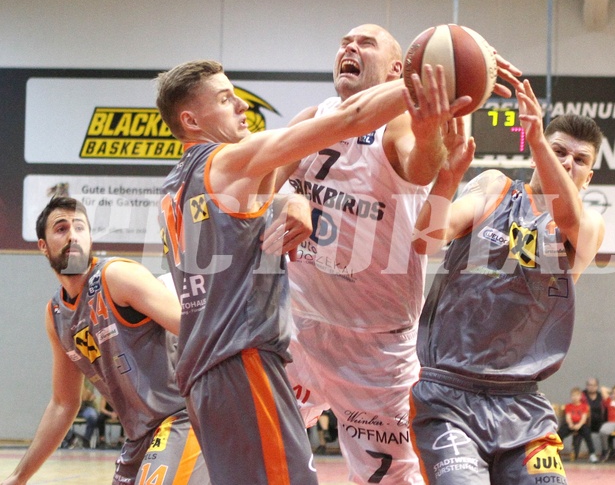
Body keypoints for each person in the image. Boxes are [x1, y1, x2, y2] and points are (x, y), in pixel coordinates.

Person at [155, 57, 475, 485]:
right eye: (226, 99)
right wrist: (427, 82)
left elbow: (273, 187)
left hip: (204, 371)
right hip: (242, 362)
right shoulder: (227, 163)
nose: (242, 107)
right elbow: (349, 118)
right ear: (191, 120)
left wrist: (293, 200)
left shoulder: (174, 187)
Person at [271, 24, 521, 485]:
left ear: (397, 71)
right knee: (244, 447)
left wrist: (432, 138)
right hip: (300, 330)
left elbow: (418, 164)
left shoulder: (400, 124)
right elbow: (267, 173)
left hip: (376, 348)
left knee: (388, 479)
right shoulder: (312, 116)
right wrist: (289, 196)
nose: (349, 46)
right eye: (344, 41)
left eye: (365, 43)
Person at [409, 79, 606, 484]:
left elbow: (568, 218)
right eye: (558, 152)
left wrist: (537, 139)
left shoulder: (588, 226)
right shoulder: (495, 188)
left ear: (589, 176)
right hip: (449, 396)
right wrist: (446, 178)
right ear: (536, 156)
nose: (568, 163)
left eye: (580, 159)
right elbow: (424, 240)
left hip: (524, 408)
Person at [1, 196, 208, 485]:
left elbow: (200, 332)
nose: (72, 235)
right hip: (138, 437)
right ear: (43, 246)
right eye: (61, 229)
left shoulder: (117, 276)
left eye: (80, 227)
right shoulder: (56, 315)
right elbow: (63, 403)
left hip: (181, 419)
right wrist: (19, 477)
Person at [557, 387, 598, 462]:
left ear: (580, 397)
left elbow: (584, 418)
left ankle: (592, 454)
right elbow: (568, 417)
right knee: (560, 433)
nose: (575, 397)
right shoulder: (568, 406)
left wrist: (579, 425)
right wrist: (570, 424)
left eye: (576, 396)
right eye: (573, 396)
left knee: (587, 434)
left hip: (581, 424)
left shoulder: (584, 406)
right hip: (571, 424)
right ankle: (556, 453)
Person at [62, 380, 99, 449]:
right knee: (59, 418)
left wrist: (81, 384)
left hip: (85, 407)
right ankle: (72, 437)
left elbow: (85, 397)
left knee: (92, 416)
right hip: (71, 408)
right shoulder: (68, 379)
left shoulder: (88, 381)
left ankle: (86, 440)